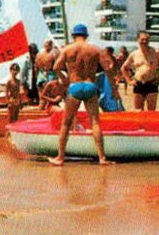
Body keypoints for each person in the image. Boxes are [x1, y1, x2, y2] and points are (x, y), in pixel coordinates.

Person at [48, 25, 113, 166]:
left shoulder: (68, 49)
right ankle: (102, 158)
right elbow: (107, 68)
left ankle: (60, 157)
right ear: (86, 35)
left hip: (75, 86)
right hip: (90, 85)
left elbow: (56, 67)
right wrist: (114, 89)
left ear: (73, 36)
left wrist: (64, 79)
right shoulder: (95, 49)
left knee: (66, 122)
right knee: (95, 122)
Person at [121, 31, 159, 111]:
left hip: (152, 83)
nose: (144, 42)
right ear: (138, 40)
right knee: (138, 111)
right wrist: (129, 81)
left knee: (151, 111)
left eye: (146, 39)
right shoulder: (134, 54)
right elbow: (123, 68)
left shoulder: (156, 53)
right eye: (142, 39)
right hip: (138, 84)